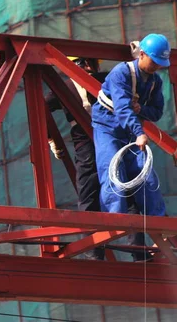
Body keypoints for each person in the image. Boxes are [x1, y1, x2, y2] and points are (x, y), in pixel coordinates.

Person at [91, 33, 170, 249]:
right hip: (108, 127)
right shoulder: (121, 73)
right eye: (154, 62)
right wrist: (138, 132)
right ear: (142, 54)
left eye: (160, 63)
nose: (157, 67)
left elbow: (156, 111)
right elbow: (122, 108)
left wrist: (142, 109)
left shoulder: (155, 81)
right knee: (112, 172)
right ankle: (115, 222)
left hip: (130, 131)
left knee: (147, 176)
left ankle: (158, 225)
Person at [45, 56, 108, 260]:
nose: (88, 67)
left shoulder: (105, 80)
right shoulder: (63, 88)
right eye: (81, 63)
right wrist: (51, 139)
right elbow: (40, 108)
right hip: (83, 138)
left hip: (111, 136)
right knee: (89, 189)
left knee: (126, 187)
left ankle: (138, 248)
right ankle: (93, 248)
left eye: (91, 62)